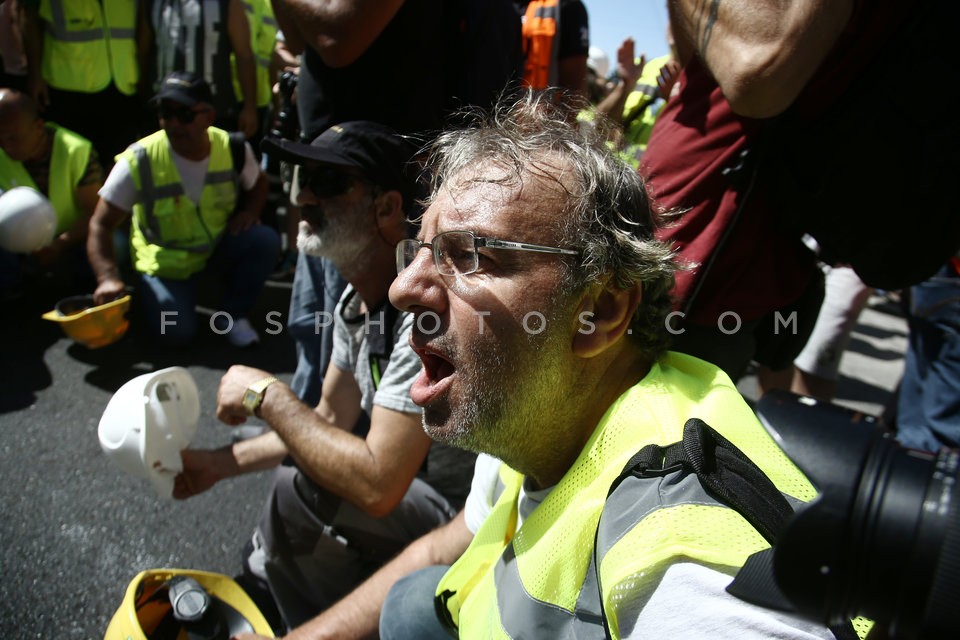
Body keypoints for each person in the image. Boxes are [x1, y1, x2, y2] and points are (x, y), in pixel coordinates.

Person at [235, 93, 845, 640]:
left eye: (469, 255)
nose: (402, 289)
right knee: (413, 602)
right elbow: (447, 545)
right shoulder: (540, 405)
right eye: (418, 251)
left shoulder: (676, 559)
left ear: (600, 311)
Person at [174, 121, 474, 631]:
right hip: (414, 501)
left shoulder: (420, 318)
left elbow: (380, 483)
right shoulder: (353, 303)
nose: (306, 196)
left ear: (387, 208)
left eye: (331, 183)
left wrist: (267, 395)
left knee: (303, 486)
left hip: (462, 522)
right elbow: (327, 419)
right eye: (301, 180)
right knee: (310, 465)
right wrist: (218, 463)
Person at [639, 0, 917, 381]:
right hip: (676, 232)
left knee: (664, 425)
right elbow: (699, 54)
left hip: (709, 262)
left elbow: (758, 76)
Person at [87, 71, 278, 347]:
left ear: (209, 117)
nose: (174, 123)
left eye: (185, 114)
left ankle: (232, 314)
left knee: (264, 240)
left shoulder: (232, 147)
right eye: (166, 113)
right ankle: (154, 296)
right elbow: (100, 224)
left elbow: (259, 184)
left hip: (214, 248)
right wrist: (107, 278)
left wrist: (250, 212)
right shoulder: (139, 159)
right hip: (165, 265)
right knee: (175, 333)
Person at [0, 88, 103, 295]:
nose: (5, 146)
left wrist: (60, 244)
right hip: (16, 241)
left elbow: (96, 212)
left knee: (113, 245)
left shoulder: (76, 150)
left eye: (13, 138)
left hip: (73, 237)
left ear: (38, 127)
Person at [21, 0, 149, 164]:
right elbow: (28, 16)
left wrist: (142, 73)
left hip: (122, 85)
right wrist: (35, 75)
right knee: (73, 164)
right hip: (67, 87)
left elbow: (142, 22)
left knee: (119, 165)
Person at [146, 0, 258, 138]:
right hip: (166, 110)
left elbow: (244, 56)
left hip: (214, 110)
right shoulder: (153, 3)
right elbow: (144, 51)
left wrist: (249, 107)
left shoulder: (228, 3)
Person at [894, 258, 960, 451]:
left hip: (935, 269)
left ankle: (904, 461)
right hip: (944, 276)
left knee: (917, 419)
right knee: (942, 430)